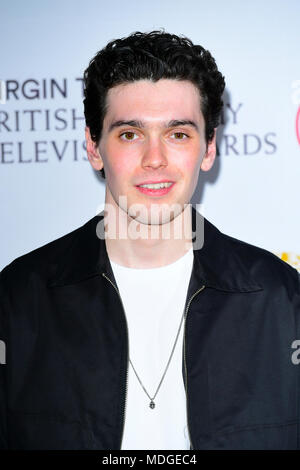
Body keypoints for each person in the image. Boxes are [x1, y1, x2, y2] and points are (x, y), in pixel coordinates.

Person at [0, 30, 299, 450]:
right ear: (93, 147)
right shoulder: (18, 298)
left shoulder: (283, 299)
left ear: (209, 148)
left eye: (178, 134)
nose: (154, 158)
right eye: (130, 134)